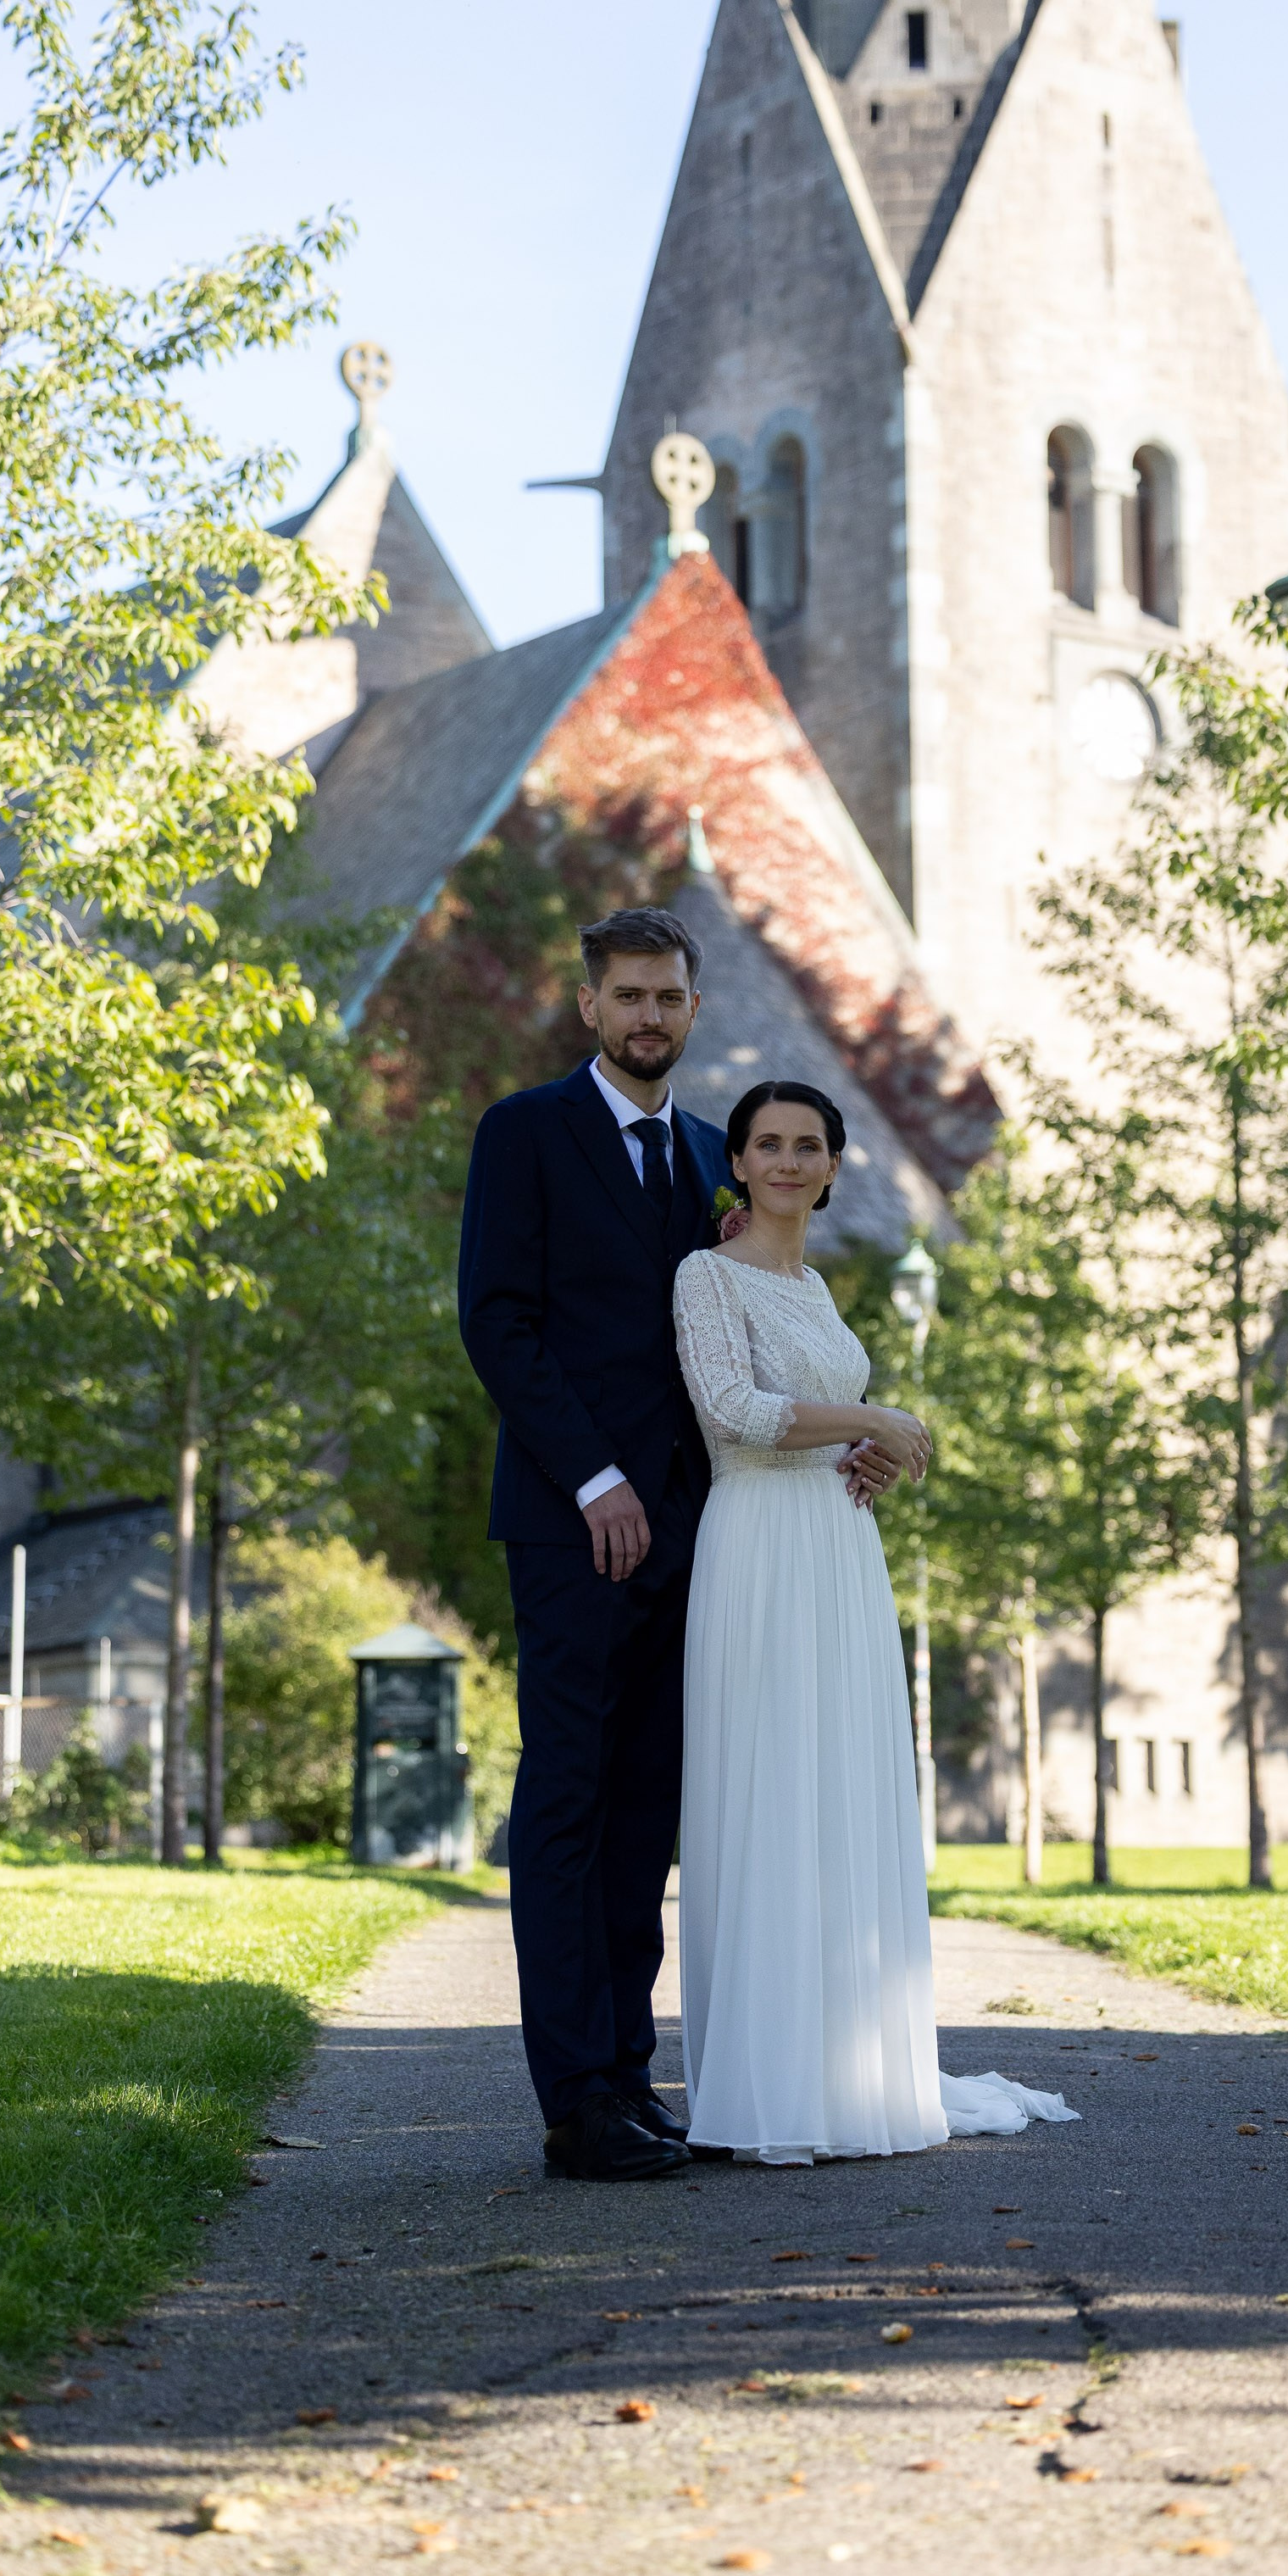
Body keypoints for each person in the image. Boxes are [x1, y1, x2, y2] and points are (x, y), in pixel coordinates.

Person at [458, 910, 898, 2182]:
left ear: (694, 1013)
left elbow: (746, 1349)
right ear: (589, 1005)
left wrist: (839, 1442)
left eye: (670, 997)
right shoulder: (525, 1135)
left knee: (651, 1810)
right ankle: (572, 2100)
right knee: (571, 1797)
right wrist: (594, 1477)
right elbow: (500, 1326)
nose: (650, 1015)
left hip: (705, 1534)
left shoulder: (717, 1155)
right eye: (628, 995)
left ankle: (630, 2076)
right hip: (571, 1520)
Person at [674, 1079, 1078, 2163]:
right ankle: (768, 2079)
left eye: (810, 1146)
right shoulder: (706, 1275)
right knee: (768, 1790)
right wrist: (875, 1416)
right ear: (740, 1163)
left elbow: (802, 1420)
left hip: (839, 1549)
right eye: (769, 1145)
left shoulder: (813, 1284)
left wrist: (864, 1454)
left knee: (836, 1790)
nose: (790, 1162)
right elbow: (733, 1411)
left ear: (834, 1166)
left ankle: (846, 2056)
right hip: (757, 1544)